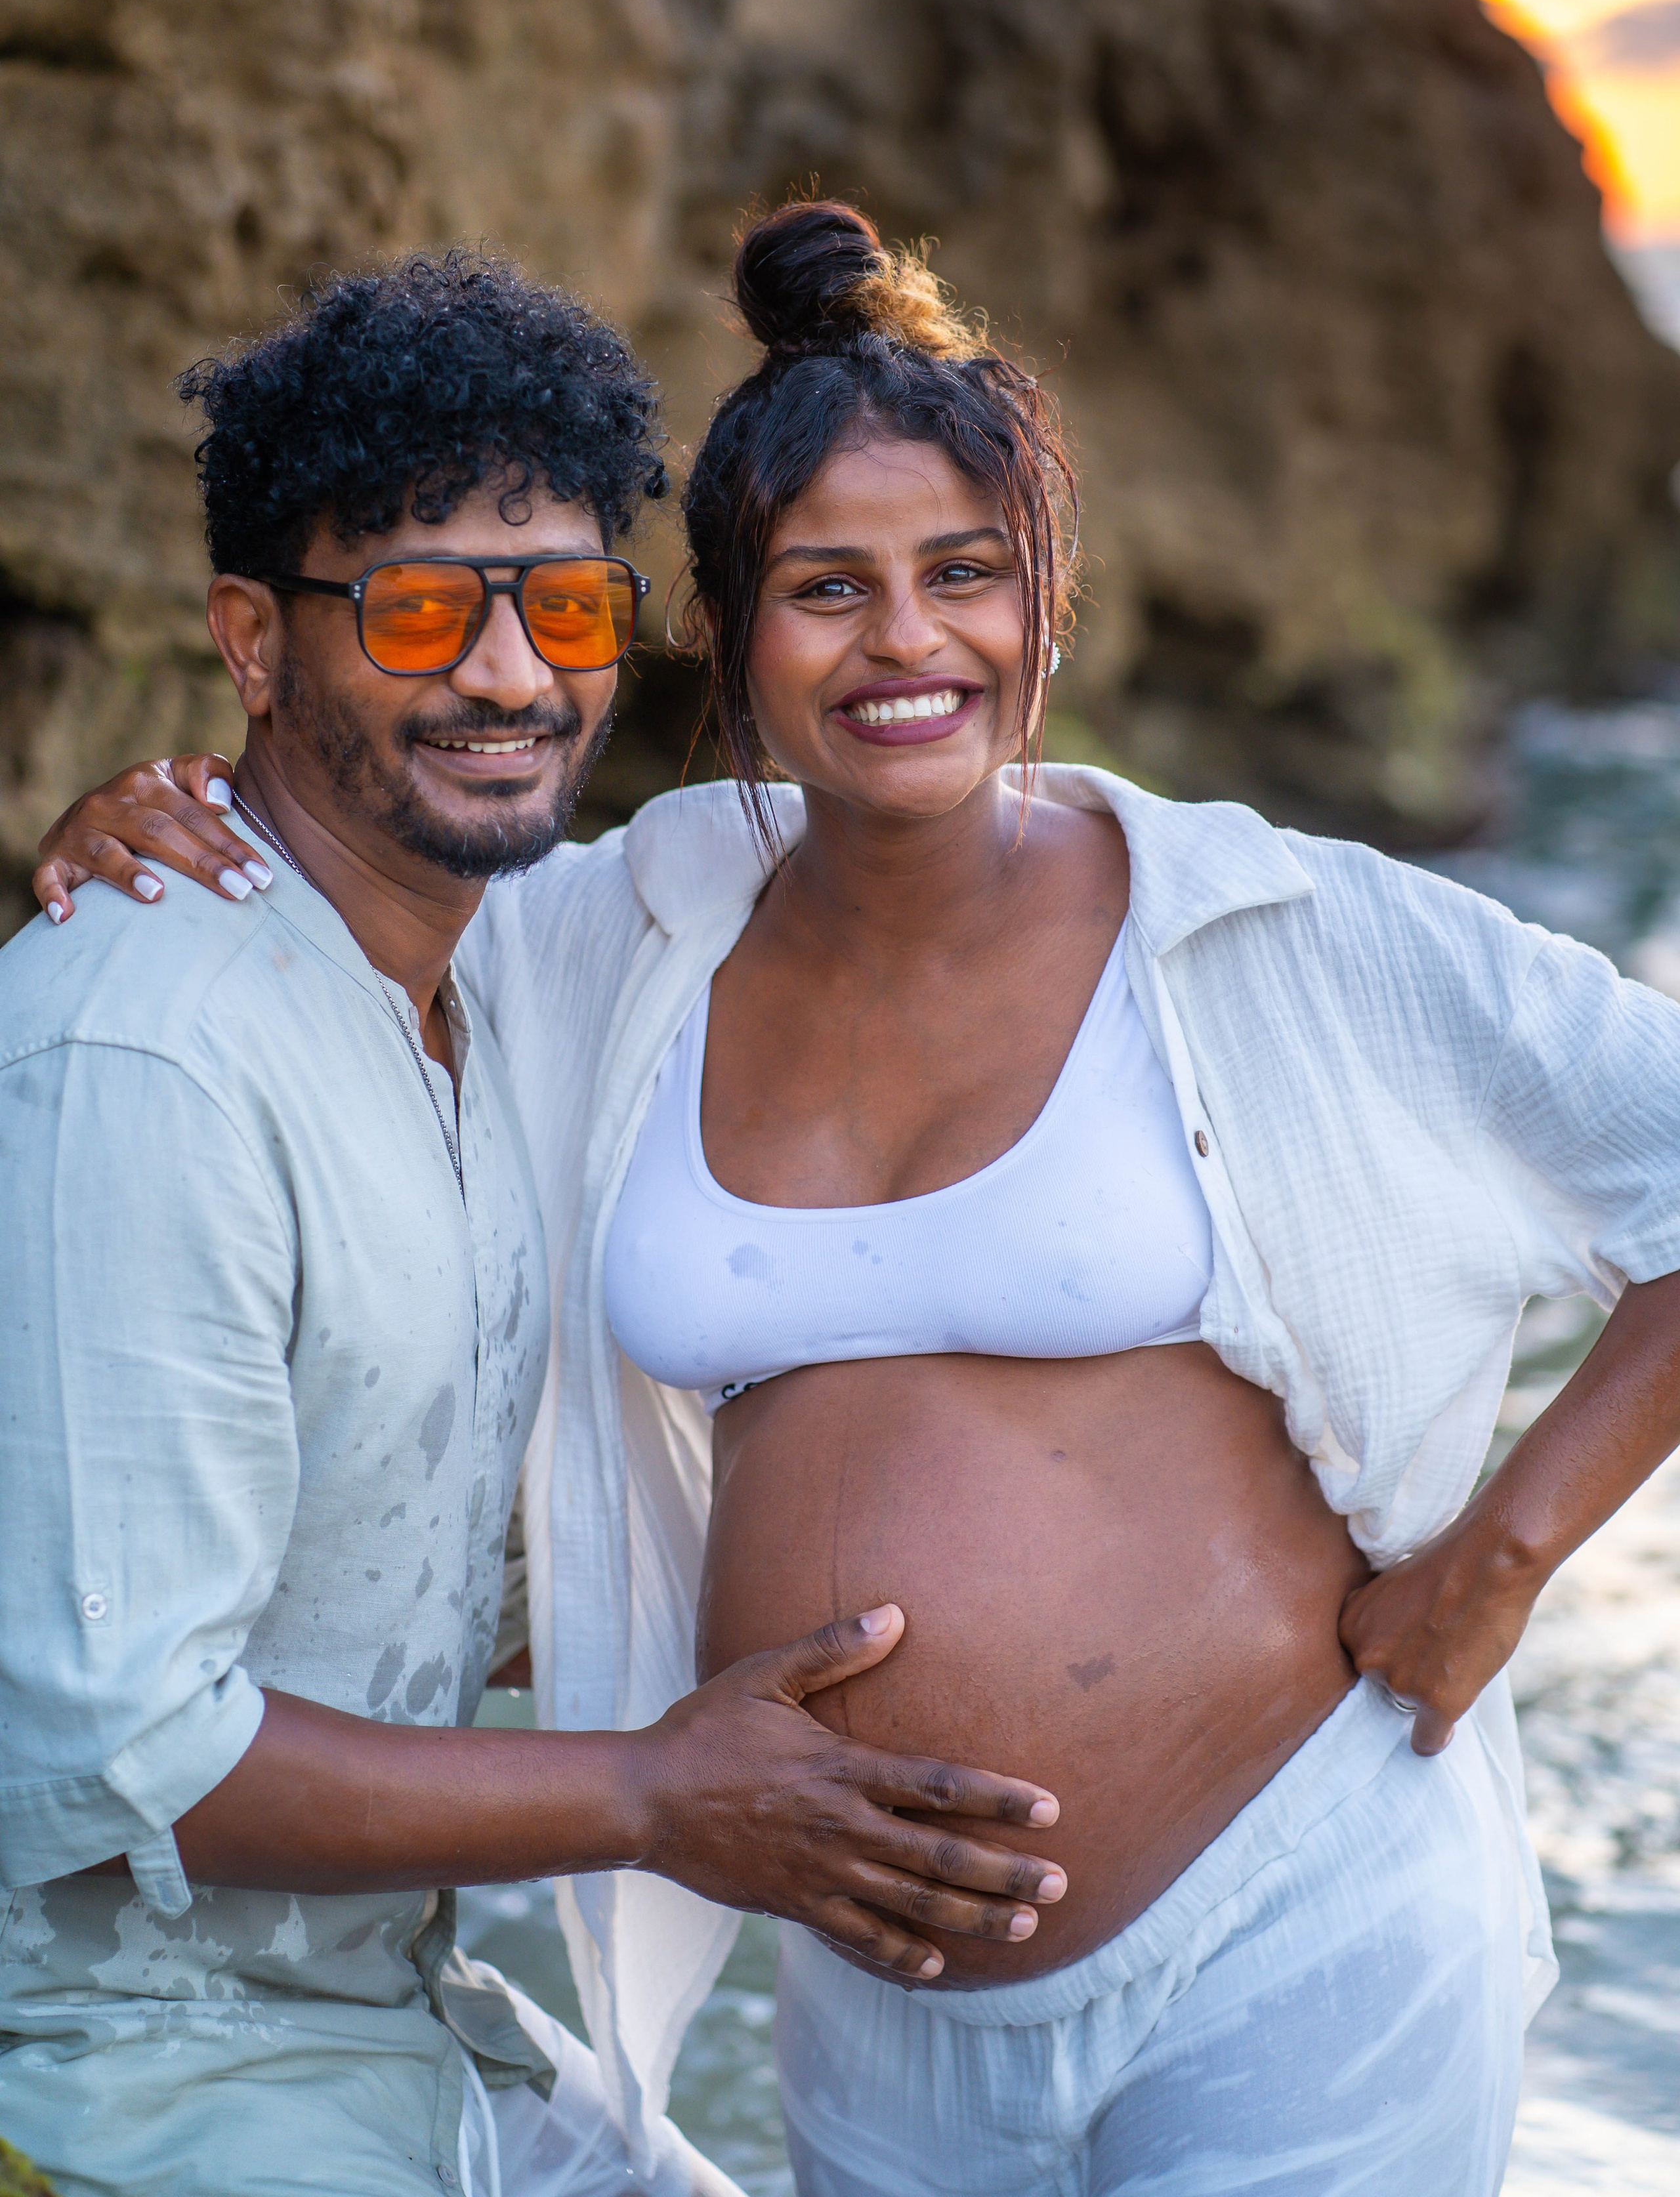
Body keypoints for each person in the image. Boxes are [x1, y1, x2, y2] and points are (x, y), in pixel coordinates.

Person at [37, 202, 1680, 2196]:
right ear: (727, 637)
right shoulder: (596, 940)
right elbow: (333, 905)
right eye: (830, 586)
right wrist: (165, 812)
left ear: (1047, 604)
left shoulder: (1273, 927)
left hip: (1292, 1925)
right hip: (869, 1986)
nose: (908, 639)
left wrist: (1503, 1563)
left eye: (965, 574)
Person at [0, 248, 1070, 2197]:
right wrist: (657, 1797)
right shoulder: (144, 1065)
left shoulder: (509, 986)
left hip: (401, 2021)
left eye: (564, 604)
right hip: (125, 2079)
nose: (509, 676)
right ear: (256, 645)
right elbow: (127, 1748)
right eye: (414, 610)